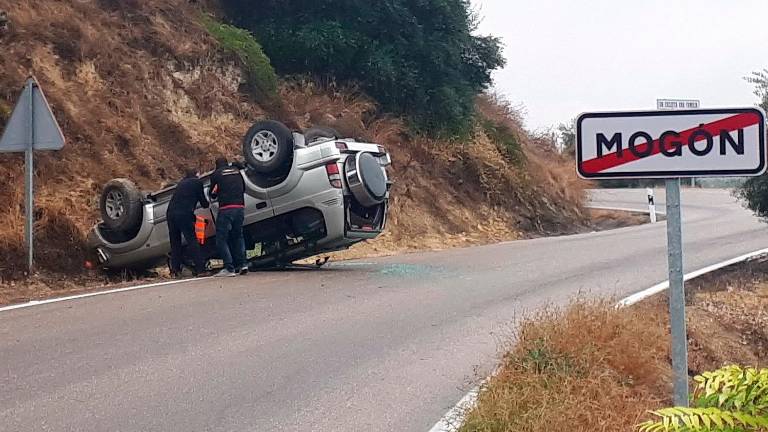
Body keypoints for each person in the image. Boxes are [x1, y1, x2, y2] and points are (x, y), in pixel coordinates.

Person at [209, 156, 248, 277]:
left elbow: (213, 193)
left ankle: (229, 268)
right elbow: (244, 188)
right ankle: (243, 264)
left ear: (217, 165)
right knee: (238, 236)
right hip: (240, 207)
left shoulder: (216, 174)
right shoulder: (237, 172)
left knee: (221, 239)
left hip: (226, 208)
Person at [167, 167, 209, 277]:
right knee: (192, 240)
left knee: (175, 243)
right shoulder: (197, 182)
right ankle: (201, 269)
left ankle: (175, 271)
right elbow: (204, 202)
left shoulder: (181, 183)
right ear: (196, 174)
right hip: (184, 214)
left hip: (170, 214)